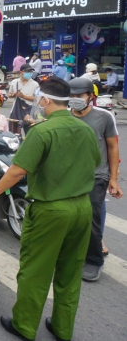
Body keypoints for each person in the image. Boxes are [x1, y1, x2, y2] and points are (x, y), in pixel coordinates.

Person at [0, 78, 100, 341]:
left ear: (44, 100)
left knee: (35, 271)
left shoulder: (42, 131)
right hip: (82, 209)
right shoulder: (85, 130)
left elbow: (18, 170)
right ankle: (62, 328)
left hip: (50, 210)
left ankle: (24, 325)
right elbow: (94, 163)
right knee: (70, 272)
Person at [67, 77, 123, 282]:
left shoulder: (104, 117)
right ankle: (74, 254)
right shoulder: (63, 116)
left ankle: (93, 261)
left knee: (92, 219)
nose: (75, 100)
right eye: (71, 96)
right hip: (68, 177)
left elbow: (112, 147)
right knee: (68, 217)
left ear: (90, 96)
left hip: (96, 176)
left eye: (79, 96)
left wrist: (113, 179)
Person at [8, 65, 39, 133]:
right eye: (27, 71)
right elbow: (9, 94)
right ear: (21, 72)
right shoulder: (14, 82)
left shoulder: (35, 84)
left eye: (31, 71)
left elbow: (37, 99)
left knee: (29, 134)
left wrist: (23, 96)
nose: (30, 73)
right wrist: (13, 95)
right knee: (13, 134)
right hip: (15, 110)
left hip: (29, 112)